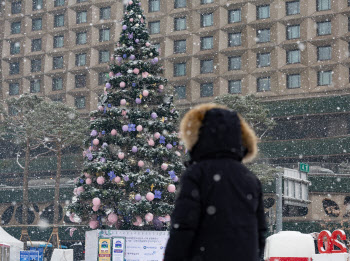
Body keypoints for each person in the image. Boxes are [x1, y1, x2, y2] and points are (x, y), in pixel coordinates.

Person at [164, 103, 267, 261]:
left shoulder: (197, 174)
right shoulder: (250, 178)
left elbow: (183, 227)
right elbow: (260, 232)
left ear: (200, 136)